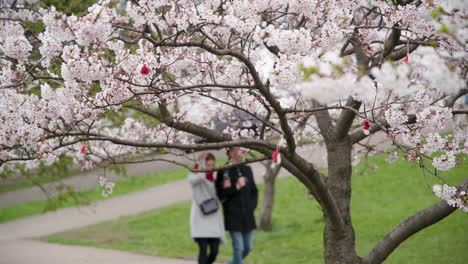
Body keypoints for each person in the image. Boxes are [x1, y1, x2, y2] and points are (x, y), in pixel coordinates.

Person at [215, 147, 258, 264]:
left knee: (248, 247)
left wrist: (251, 207)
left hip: (247, 215)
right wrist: (236, 186)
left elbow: (254, 191)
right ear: (230, 152)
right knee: (238, 248)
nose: (241, 152)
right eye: (238, 150)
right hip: (233, 215)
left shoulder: (247, 169)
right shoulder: (224, 171)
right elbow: (220, 194)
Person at [188, 153, 226, 264]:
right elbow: (192, 180)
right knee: (203, 250)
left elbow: (221, 192)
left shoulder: (216, 176)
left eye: (212, 165)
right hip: (200, 218)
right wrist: (200, 168)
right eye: (208, 165)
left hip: (213, 217)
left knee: (214, 251)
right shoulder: (196, 177)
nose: (210, 167)